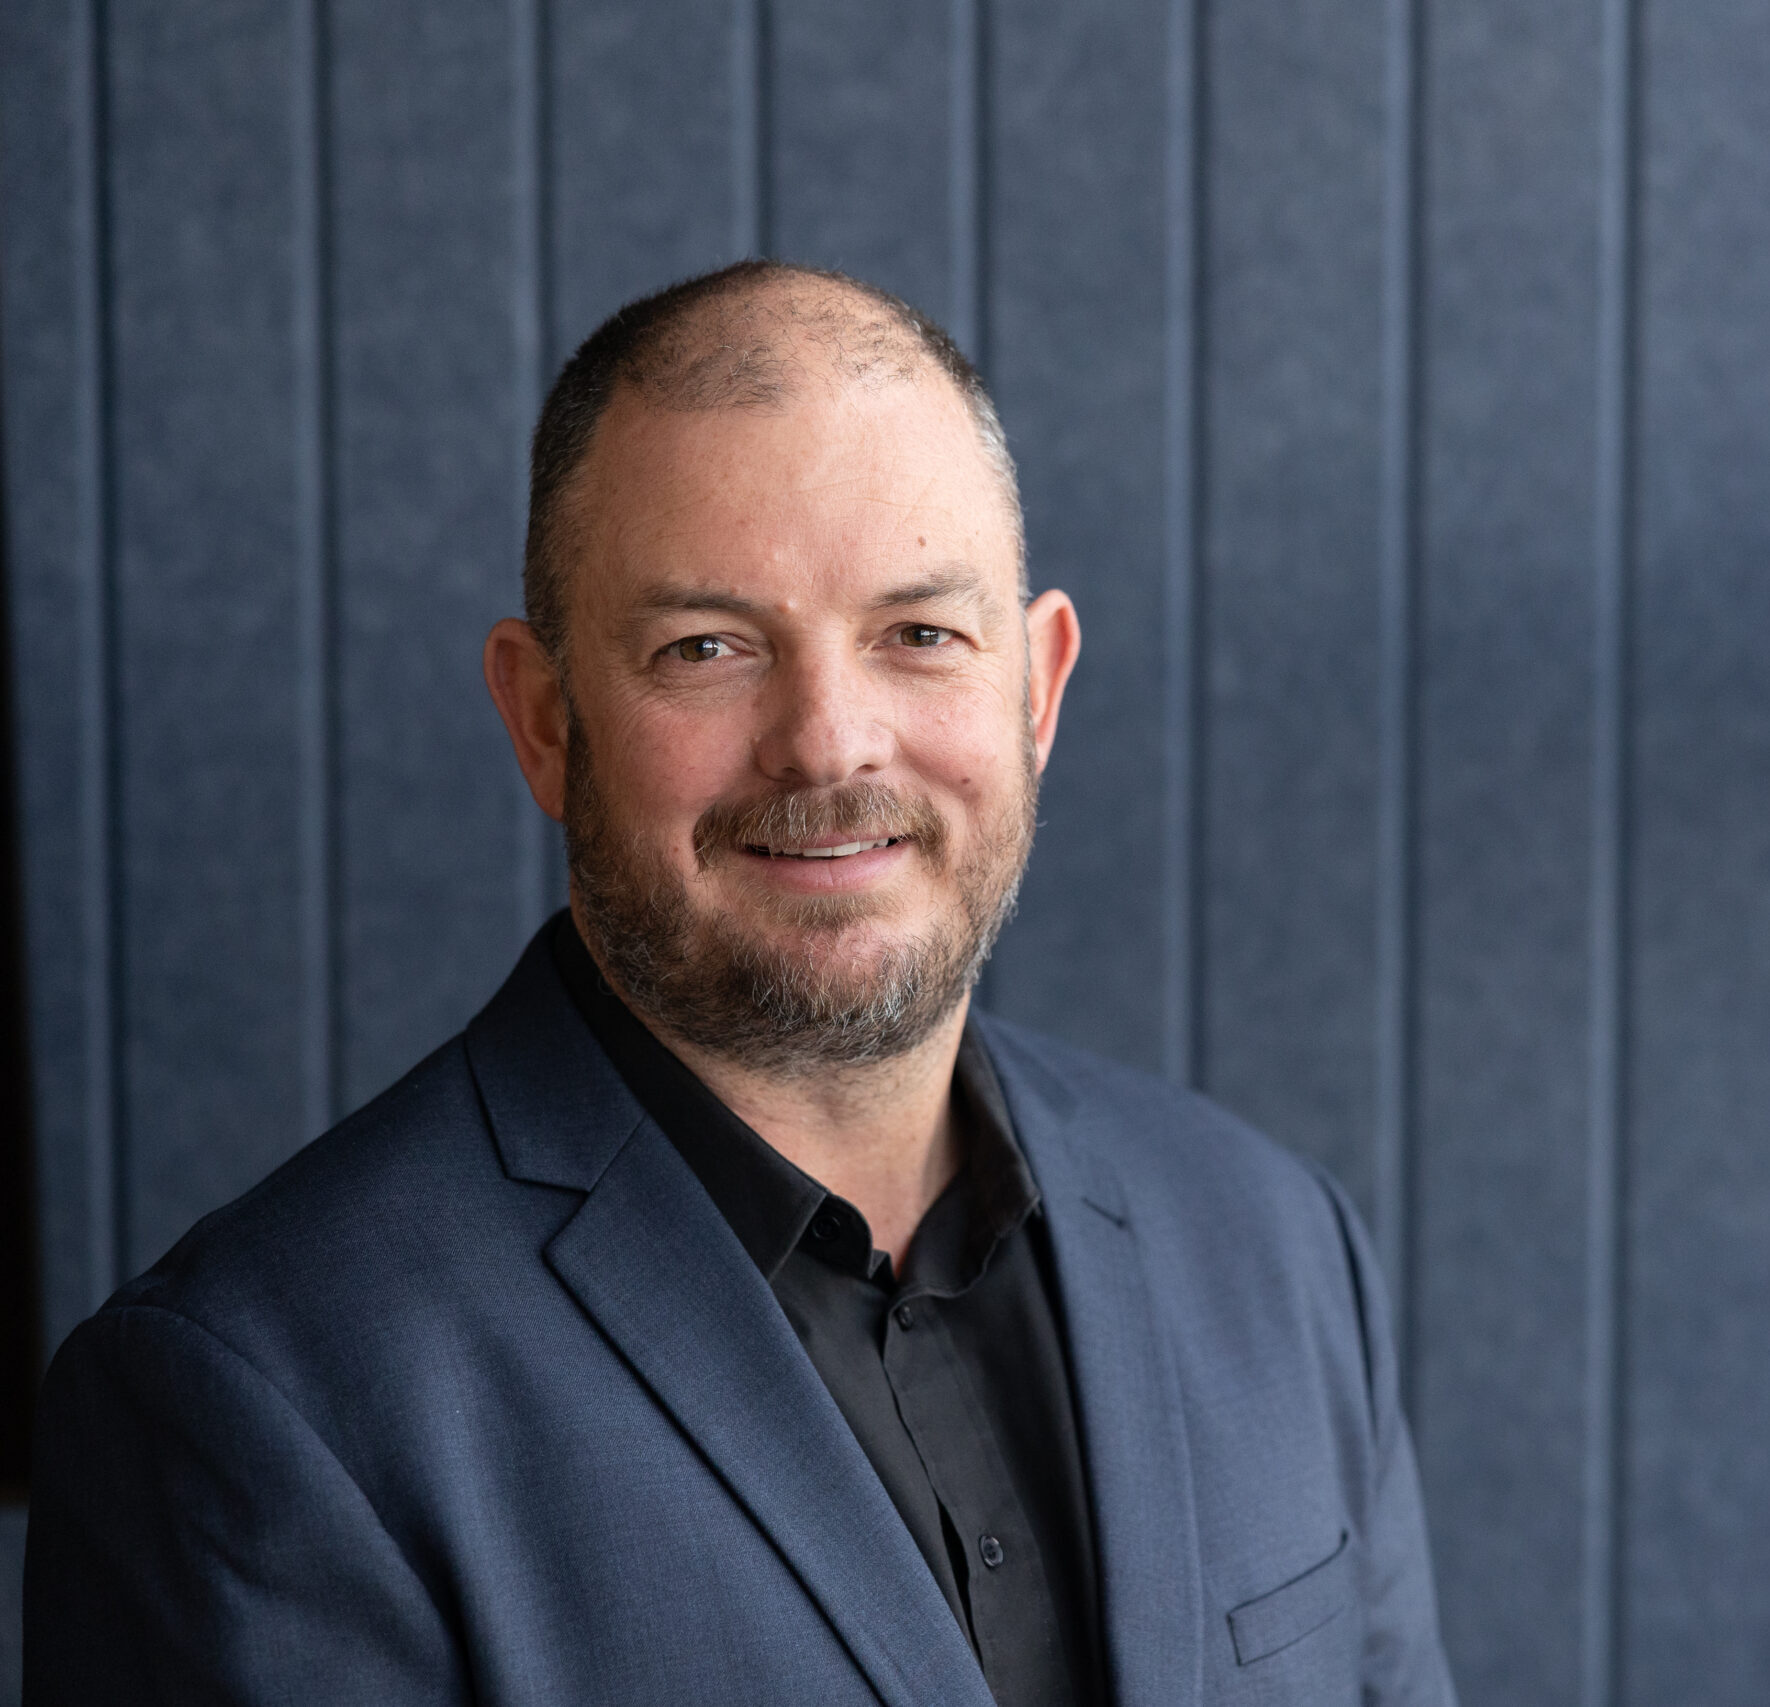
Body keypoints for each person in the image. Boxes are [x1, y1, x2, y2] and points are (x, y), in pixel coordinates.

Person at [23, 261, 1456, 1705]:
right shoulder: (260, 1407)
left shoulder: (1275, 1247)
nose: (827, 742)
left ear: (1036, 690)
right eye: (705, 648)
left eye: (918, 634)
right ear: (545, 720)